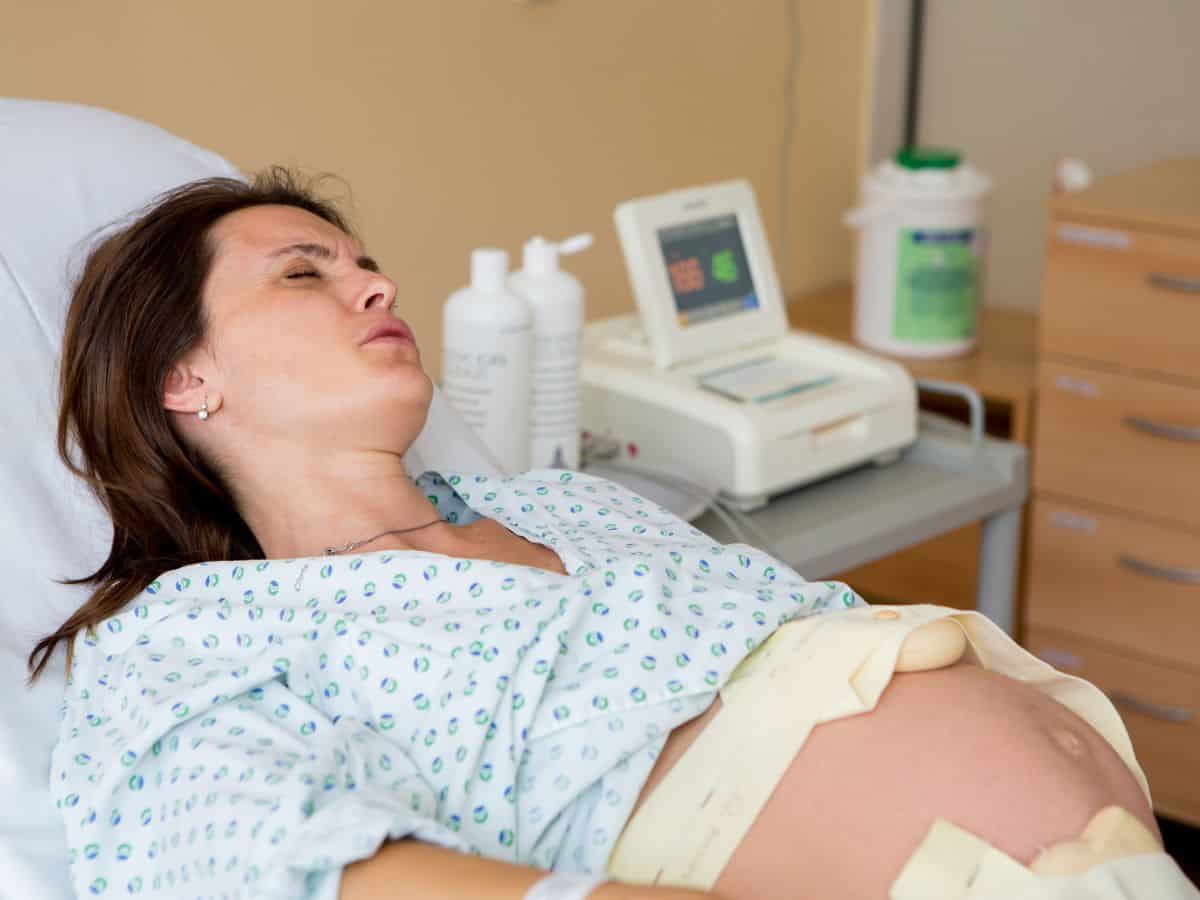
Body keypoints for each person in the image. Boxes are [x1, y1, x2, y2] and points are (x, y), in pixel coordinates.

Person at [30, 168, 1183, 900]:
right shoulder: (203, 634)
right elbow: (254, 862)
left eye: (370, 267)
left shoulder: (562, 505)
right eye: (304, 272)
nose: (377, 289)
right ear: (186, 376)